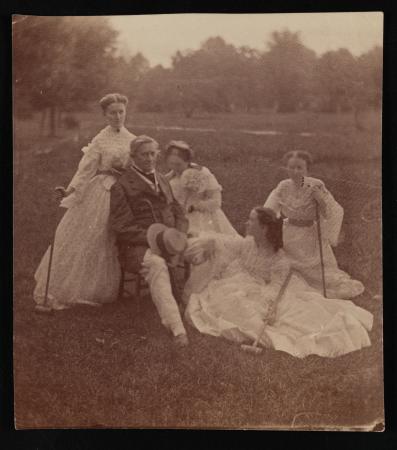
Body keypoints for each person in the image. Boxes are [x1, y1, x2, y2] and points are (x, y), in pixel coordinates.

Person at [184, 207, 373, 358]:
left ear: (264, 228)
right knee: (221, 295)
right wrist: (210, 242)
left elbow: (275, 289)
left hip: (267, 290)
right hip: (244, 283)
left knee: (243, 305)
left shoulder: (279, 261)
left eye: (251, 220)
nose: (246, 222)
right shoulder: (249, 243)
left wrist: (269, 305)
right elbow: (226, 241)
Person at [33, 93, 136, 311]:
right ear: (104, 115)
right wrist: (69, 190)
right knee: (96, 236)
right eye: (112, 113)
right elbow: (85, 170)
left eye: (121, 112)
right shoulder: (100, 140)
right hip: (102, 191)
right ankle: (85, 287)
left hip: (125, 192)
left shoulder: (132, 139)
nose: (117, 116)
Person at [108, 135, 190, 347]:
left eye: (153, 153)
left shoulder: (162, 178)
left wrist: (177, 238)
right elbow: (121, 226)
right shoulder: (122, 185)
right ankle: (176, 327)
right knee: (157, 264)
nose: (150, 158)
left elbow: (178, 212)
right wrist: (156, 240)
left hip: (168, 239)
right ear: (133, 156)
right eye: (144, 154)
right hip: (135, 247)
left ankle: (195, 308)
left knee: (204, 249)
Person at [264, 150, 364, 299]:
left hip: (308, 235)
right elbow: (269, 210)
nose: (295, 171)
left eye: (299, 168)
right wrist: (268, 226)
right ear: (286, 168)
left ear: (307, 170)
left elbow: (330, 212)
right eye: (291, 167)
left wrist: (320, 200)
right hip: (288, 232)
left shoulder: (315, 185)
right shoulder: (284, 185)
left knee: (319, 275)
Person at [164, 140, 237, 236]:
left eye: (178, 164)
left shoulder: (201, 173)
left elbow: (216, 202)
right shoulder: (169, 177)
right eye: (171, 164)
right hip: (178, 217)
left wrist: (194, 206)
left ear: (187, 161)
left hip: (201, 217)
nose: (174, 167)